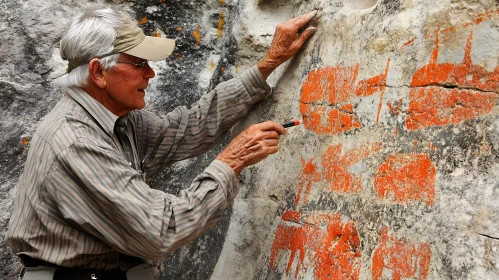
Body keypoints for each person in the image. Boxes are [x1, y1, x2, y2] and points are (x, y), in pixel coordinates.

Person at [6, 6, 317, 280]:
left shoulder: (116, 119)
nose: (151, 73)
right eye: (139, 64)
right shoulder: (75, 142)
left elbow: (187, 128)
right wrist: (231, 161)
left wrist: (269, 63)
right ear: (99, 72)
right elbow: (159, 230)